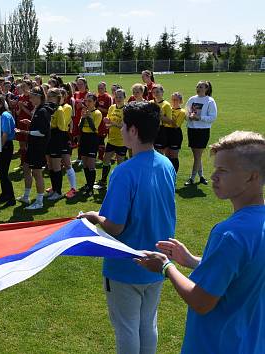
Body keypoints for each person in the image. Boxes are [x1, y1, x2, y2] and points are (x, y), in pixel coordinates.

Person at [136, 131, 265, 354]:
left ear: (252, 177)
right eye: (215, 169)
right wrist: (194, 261)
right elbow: (246, 269)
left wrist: (166, 267)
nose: (214, 176)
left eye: (223, 170)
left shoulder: (229, 234)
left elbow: (201, 301)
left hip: (215, 345)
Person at [80, 101, 176, 354]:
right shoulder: (166, 164)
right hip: (157, 259)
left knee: (128, 329)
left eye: (123, 125)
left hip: (126, 265)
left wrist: (93, 216)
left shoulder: (123, 172)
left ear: (133, 130)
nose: (120, 129)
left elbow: (115, 227)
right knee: (147, 324)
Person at [16, 86, 52, 210]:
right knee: (26, 168)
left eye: (32, 97)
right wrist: (30, 124)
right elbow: (38, 126)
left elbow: (42, 132)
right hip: (32, 145)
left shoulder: (43, 111)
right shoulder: (38, 109)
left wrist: (26, 132)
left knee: (37, 173)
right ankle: (26, 196)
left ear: (39, 97)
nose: (30, 99)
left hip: (38, 146)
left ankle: (39, 201)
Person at [185, 80, 217, 186]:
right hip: (192, 130)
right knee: (196, 156)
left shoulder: (210, 101)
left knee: (197, 156)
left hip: (202, 131)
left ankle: (192, 178)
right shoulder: (192, 99)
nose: (198, 88)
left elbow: (212, 117)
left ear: (206, 89)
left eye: (201, 87)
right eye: (197, 86)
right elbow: (186, 112)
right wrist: (189, 116)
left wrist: (199, 118)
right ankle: (201, 176)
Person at [96, 88, 127, 188]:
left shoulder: (126, 109)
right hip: (111, 139)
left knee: (120, 163)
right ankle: (103, 181)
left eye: (120, 97)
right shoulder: (112, 107)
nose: (118, 98)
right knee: (106, 160)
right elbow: (110, 122)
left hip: (122, 141)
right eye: (116, 96)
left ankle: (121, 183)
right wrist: (107, 121)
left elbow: (123, 126)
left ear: (124, 97)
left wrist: (111, 123)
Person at [0, 94, 16, 206]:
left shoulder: (5, 115)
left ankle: (11, 197)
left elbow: (5, 134)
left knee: (4, 172)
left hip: (5, 146)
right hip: (1, 145)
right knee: (1, 171)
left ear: (1, 103)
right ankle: (5, 194)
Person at [77, 93, 103, 196]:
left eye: (90, 101)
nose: (87, 103)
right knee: (85, 163)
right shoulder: (84, 111)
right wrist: (83, 117)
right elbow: (80, 127)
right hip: (84, 138)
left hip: (92, 138)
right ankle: (88, 183)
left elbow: (93, 128)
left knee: (91, 164)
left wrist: (88, 117)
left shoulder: (97, 113)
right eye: (86, 101)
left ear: (94, 102)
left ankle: (91, 188)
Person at [46, 88, 66, 201]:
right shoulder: (48, 109)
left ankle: (58, 192)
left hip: (56, 139)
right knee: (50, 166)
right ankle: (54, 189)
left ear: (57, 98)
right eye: (48, 97)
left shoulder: (59, 110)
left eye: (51, 97)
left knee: (56, 166)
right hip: (48, 139)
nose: (49, 99)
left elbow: (62, 128)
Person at [164, 92, 187, 172]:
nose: (174, 101)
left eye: (176, 100)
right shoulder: (168, 109)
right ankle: (167, 173)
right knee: (166, 155)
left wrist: (165, 119)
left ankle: (174, 175)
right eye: (172, 99)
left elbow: (176, 125)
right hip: (166, 132)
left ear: (180, 101)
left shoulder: (182, 111)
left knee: (173, 156)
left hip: (175, 134)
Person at [151, 85, 173, 154]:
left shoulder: (166, 105)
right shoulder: (150, 103)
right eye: (153, 92)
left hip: (161, 130)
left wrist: (159, 115)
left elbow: (169, 121)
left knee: (159, 153)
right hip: (151, 130)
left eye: (157, 92)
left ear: (162, 92)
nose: (155, 94)